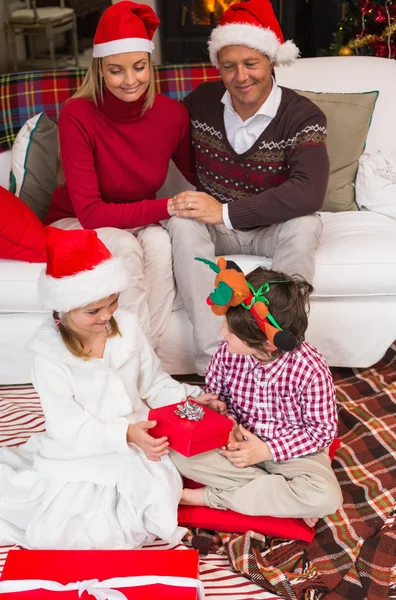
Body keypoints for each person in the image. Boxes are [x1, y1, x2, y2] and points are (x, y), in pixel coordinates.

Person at [0, 227, 224, 550]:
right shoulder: (48, 356)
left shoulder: (128, 329)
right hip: (78, 453)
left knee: (156, 498)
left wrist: (191, 400)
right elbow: (67, 427)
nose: (107, 316)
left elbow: (155, 383)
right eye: (93, 311)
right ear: (64, 309)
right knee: (75, 530)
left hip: (135, 447)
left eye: (112, 303)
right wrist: (125, 433)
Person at [166, 0, 330, 374]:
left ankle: (279, 358)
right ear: (218, 68)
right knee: (181, 222)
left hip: (269, 228)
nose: (241, 76)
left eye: (251, 63)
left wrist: (224, 211)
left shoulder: (302, 115)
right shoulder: (200, 103)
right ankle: (215, 365)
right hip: (218, 232)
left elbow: (309, 192)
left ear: (271, 61)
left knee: (306, 223)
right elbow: (160, 135)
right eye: (229, 66)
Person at [45, 1, 195, 350]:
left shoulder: (173, 115)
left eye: (139, 67)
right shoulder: (77, 114)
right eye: (116, 70)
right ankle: (135, 363)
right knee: (126, 246)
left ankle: (146, 358)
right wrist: (168, 206)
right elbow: (91, 214)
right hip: (74, 222)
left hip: (132, 219)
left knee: (159, 243)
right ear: (99, 69)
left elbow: (199, 175)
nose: (130, 80)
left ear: (150, 65)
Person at [171, 260, 343, 526]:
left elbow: (321, 432)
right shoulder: (226, 353)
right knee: (176, 454)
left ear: (266, 344)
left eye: (231, 331)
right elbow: (216, 399)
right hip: (234, 446)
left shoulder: (310, 368)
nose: (222, 332)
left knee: (326, 497)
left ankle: (212, 497)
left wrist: (266, 450)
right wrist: (218, 414)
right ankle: (278, 495)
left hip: (291, 454)